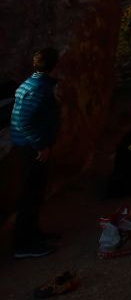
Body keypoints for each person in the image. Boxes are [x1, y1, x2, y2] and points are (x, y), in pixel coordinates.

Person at [10, 48, 61, 258]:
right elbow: (23, 120)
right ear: (54, 64)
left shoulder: (34, 83)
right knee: (29, 196)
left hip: (31, 146)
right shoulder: (38, 88)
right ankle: (23, 245)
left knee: (36, 193)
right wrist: (40, 145)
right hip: (31, 149)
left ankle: (33, 234)